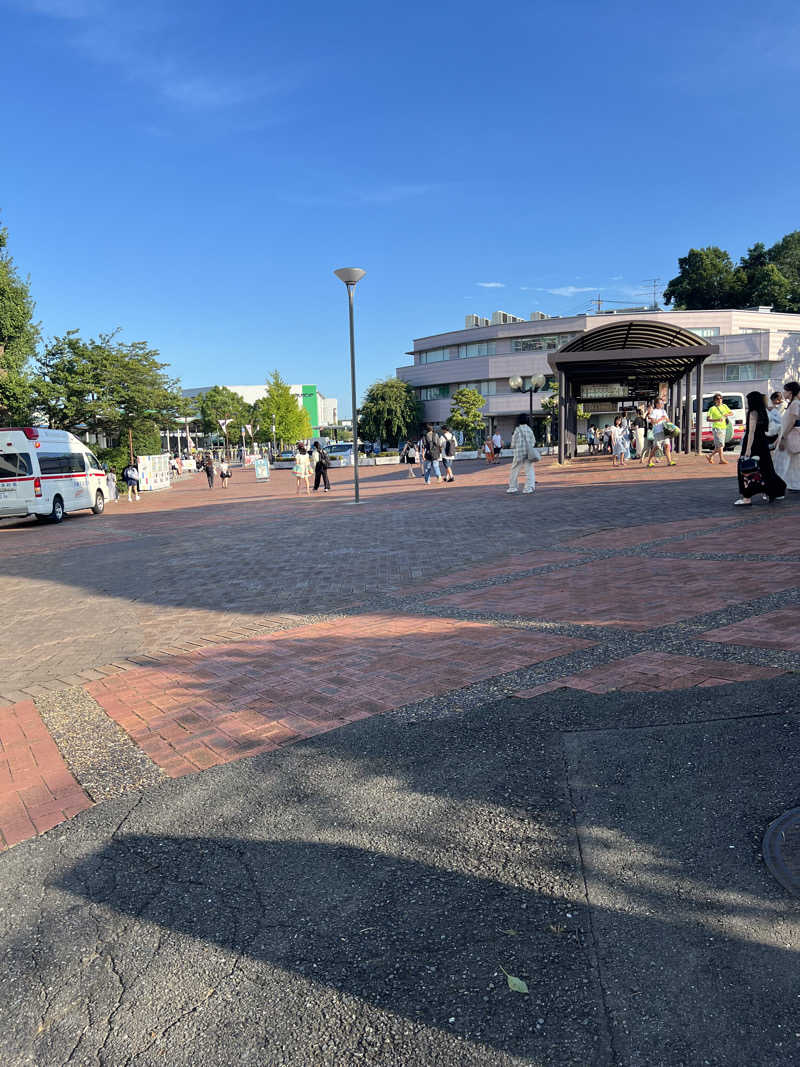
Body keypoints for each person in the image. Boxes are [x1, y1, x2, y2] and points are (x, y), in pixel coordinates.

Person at [734, 391, 786, 506]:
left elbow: (751, 432)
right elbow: (766, 430)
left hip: (753, 444)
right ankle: (776, 491)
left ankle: (746, 498)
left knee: (746, 470)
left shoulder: (753, 412)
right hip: (763, 443)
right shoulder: (764, 411)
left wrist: (747, 450)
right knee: (766, 469)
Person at [773, 380, 800, 491]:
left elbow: (793, 421)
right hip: (789, 436)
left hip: (790, 437)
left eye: (785, 391)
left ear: (790, 392)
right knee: (793, 463)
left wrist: (783, 437)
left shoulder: (795, 403)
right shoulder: (793, 403)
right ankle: (793, 485)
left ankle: (777, 485)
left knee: (780, 461)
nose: (783, 393)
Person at [507, 414, 538, 494]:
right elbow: (533, 442)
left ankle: (512, 487)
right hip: (528, 453)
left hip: (519, 453)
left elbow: (513, 443)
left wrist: (513, 446)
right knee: (529, 470)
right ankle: (528, 488)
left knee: (514, 470)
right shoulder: (529, 429)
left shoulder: (517, 429)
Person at [647, 397, 676, 468]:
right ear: (656, 404)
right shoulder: (654, 411)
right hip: (657, 431)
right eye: (660, 403)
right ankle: (649, 461)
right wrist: (660, 419)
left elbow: (668, 420)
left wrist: (668, 422)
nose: (662, 404)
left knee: (667, 445)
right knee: (656, 447)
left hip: (664, 431)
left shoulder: (664, 411)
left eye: (662, 403)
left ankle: (669, 461)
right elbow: (653, 422)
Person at [706, 393, 732, 465]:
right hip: (717, 428)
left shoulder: (724, 406)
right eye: (718, 398)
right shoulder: (712, 409)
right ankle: (721, 459)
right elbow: (708, 419)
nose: (720, 400)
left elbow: (731, 413)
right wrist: (717, 420)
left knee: (720, 446)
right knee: (721, 444)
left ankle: (710, 456)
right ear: (715, 400)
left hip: (724, 427)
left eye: (721, 398)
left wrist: (727, 414)